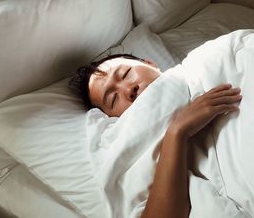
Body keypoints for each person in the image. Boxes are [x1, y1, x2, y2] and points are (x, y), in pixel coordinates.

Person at [70, 54, 242, 218]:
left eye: (126, 74)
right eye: (114, 99)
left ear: (150, 63)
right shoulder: (124, 148)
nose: (128, 89)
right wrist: (177, 132)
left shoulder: (200, 66)